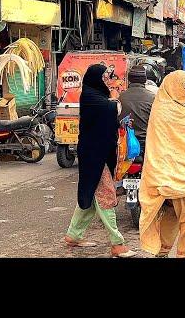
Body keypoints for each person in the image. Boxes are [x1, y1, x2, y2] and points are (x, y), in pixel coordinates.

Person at [64, 64, 137, 258]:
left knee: (91, 192)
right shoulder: (89, 96)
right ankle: (117, 243)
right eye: (104, 76)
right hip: (94, 155)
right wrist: (115, 101)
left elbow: (106, 120)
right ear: (96, 78)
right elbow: (112, 108)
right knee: (106, 196)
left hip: (98, 153)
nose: (107, 80)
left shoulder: (97, 95)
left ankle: (74, 235)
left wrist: (119, 121)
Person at [138, 71, 185, 258]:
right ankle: (184, 255)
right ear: (174, 87)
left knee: (171, 215)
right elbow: (168, 145)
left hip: (170, 176)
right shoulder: (165, 111)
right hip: (175, 177)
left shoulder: (178, 108)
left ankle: (163, 252)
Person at [119, 66, 156, 150]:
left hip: (124, 143)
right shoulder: (153, 98)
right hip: (145, 143)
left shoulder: (120, 97)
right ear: (145, 80)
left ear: (129, 79)